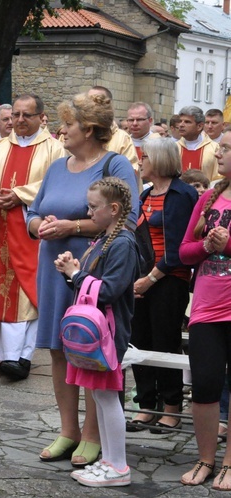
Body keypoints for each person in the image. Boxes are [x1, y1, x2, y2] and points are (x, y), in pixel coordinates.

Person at [27, 92, 139, 468]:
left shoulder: (115, 165)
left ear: (89, 129)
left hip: (93, 269)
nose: (61, 131)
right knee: (60, 348)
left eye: (68, 124)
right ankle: (67, 429)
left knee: (89, 348)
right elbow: (34, 210)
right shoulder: (58, 166)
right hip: (54, 266)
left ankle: (92, 434)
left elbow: (128, 219)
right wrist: (38, 225)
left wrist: (72, 225)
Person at [0, 94, 65, 380]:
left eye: (27, 115)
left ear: (40, 117)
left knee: (27, 292)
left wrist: (20, 195)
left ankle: (21, 355)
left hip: (31, 232)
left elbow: (56, 185)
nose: (20, 121)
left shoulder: (54, 150)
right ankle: (2, 354)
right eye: (15, 116)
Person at [55, 177, 139, 488]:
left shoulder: (122, 243)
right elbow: (92, 283)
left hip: (109, 333)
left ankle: (118, 465)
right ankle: (108, 461)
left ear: (113, 209)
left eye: (93, 207)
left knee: (107, 396)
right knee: (100, 396)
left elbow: (109, 291)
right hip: (100, 330)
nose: (88, 212)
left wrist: (75, 274)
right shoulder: (105, 239)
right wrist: (73, 272)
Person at [127, 138, 197, 433]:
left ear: (159, 161)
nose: (140, 162)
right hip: (142, 278)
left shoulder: (182, 194)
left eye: (145, 158)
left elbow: (178, 248)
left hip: (169, 280)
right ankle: (146, 405)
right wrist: (136, 279)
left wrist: (149, 279)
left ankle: (171, 407)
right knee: (140, 340)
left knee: (165, 341)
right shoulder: (145, 195)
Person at [178, 130, 231, 489]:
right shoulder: (212, 195)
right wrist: (208, 247)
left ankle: (230, 464)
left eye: (226, 148)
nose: (218, 152)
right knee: (206, 385)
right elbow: (183, 251)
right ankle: (206, 459)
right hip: (207, 307)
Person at [176, 106, 219, 180]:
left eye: (187, 122)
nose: (181, 125)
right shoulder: (174, 147)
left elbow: (218, 177)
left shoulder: (215, 148)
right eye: (180, 121)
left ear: (199, 126)